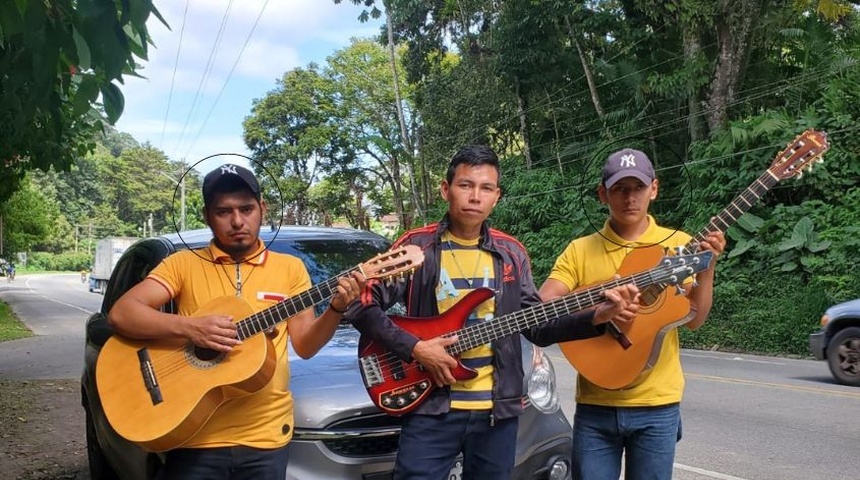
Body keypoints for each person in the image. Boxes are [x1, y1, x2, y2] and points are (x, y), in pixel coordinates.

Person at [348, 145, 640, 480]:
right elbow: (362, 304)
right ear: (446, 189)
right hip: (431, 407)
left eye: (486, 188)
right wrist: (415, 349)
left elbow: (538, 327)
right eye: (465, 185)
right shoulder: (416, 247)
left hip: (496, 413)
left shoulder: (510, 252)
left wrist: (597, 317)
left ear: (497, 196)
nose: (475, 196)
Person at [107, 164, 365, 480]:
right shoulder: (183, 264)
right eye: (224, 211)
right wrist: (192, 328)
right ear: (206, 215)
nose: (237, 221)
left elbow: (306, 345)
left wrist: (336, 308)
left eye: (246, 208)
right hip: (194, 434)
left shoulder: (290, 268)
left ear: (263, 209)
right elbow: (122, 312)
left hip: (266, 437)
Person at [538, 148, 726, 480]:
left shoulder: (679, 245)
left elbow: (695, 319)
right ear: (602, 193)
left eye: (638, 188)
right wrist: (599, 311)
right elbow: (542, 308)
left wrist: (707, 268)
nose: (630, 198)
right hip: (596, 404)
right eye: (619, 189)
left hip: (658, 405)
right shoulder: (580, 250)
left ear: (654, 189)